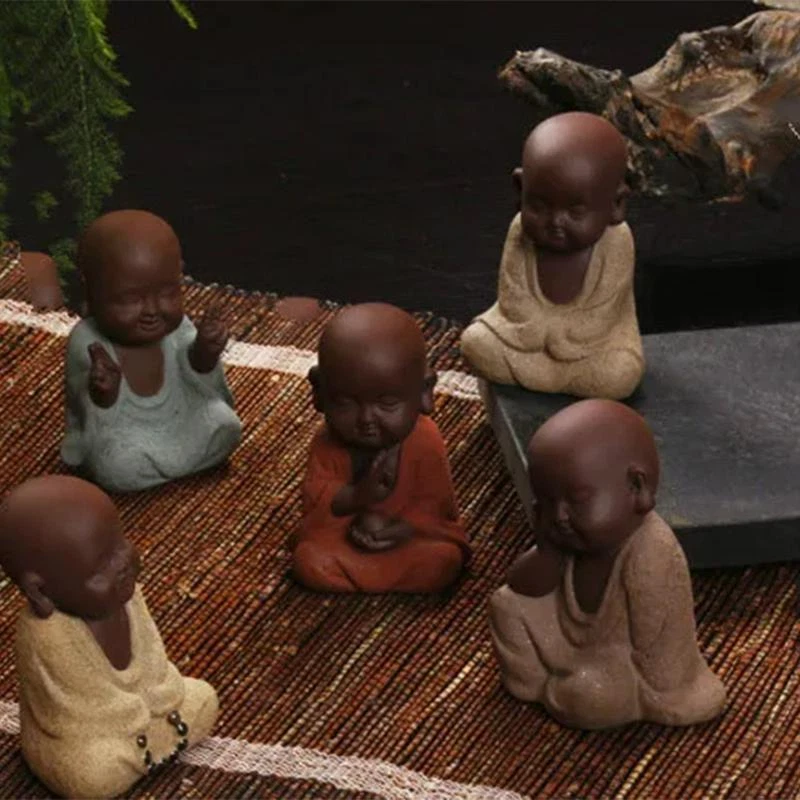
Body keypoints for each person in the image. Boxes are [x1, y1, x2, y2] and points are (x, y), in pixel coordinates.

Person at [489, 399, 726, 728]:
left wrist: (655, 692)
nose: (559, 516)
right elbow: (523, 586)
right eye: (547, 501)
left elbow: (661, 656)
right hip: (569, 643)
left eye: (576, 500)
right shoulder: (567, 536)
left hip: (623, 666)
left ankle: (568, 689)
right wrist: (547, 550)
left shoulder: (651, 553)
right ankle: (535, 683)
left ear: (636, 488)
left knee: (593, 695)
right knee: (505, 606)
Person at [0, 475, 218, 798]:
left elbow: (153, 659)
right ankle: (148, 750)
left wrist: (163, 694)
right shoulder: (47, 635)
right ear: (40, 592)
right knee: (92, 774)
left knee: (204, 699)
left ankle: (148, 749)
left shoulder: (129, 595)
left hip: (147, 717)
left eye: (120, 545)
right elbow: (74, 710)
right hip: (95, 734)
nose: (122, 565)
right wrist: (140, 717)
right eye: (100, 568)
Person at [460, 112, 644, 400]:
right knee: (476, 343)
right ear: (520, 189)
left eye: (575, 212)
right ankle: (559, 379)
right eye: (539, 206)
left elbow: (603, 314)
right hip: (524, 340)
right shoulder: (520, 230)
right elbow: (513, 300)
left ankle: (549, 376)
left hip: (590, 347)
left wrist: (556, 339)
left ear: (616, 205)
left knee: (619, 373)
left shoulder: (616, 240)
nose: (556, 221)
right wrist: (540, 337)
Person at [292, 302, 471, 593]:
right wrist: (358, 496)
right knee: (310, 561)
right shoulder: (329, 443)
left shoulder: (424, 440)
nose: (366, 419)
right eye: (346, 402)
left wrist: (403, 528)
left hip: (407, 542)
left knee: (442, 560)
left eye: (387, 404)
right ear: (320, 393)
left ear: (424, 392)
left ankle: (371, 574)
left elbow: (437, 510)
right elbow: (317, 505)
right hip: (343, 540)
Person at [61, 209, 242, 492]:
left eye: (167, 293)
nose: (152, 310)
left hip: (180, 418)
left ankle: (162, 467)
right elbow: (89, 411)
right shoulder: (88, 339)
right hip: (124, 431)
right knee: (115, 463)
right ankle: (151, 468)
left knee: (225, 424)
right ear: (91, 293)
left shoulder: (178, 328)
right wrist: (104, 391)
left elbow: (198, 376)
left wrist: (204, 352)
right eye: (130, 299)